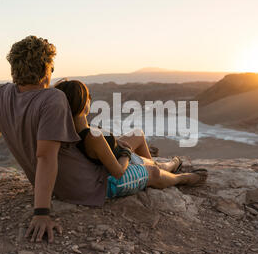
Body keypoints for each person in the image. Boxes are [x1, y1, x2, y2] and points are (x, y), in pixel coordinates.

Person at [0, 36, 109, 243]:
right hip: (91, 185)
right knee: (153, 172)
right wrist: (41, 213)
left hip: (55, 189)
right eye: (52, 67)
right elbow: (46, 157)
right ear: (46, 68)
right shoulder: (53, 99)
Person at [54, 79, 207, 198]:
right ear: (82, 103)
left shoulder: (73, 128)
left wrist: (115, 142)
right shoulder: (93, 137)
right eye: (89, 97)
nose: (91, 100)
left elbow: (99, 144)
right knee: (153, 170)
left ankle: (165, 168)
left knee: (137, 134)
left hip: (112, 157)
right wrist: (125, 153)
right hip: (114, 172)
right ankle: (181, 178)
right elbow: (118, 172)